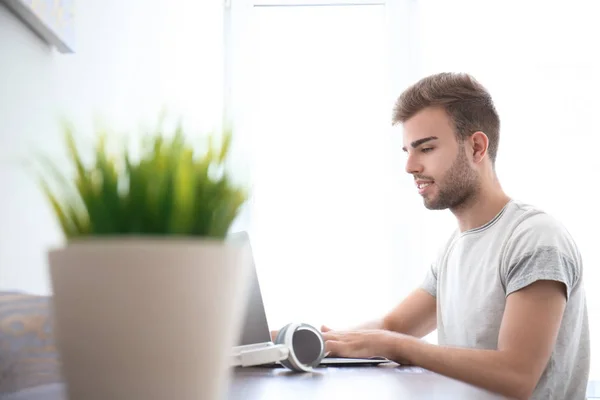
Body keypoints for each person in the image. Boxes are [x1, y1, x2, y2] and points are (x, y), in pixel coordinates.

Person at [271, 72, 590, 400]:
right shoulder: (455, 248)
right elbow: (395, 326)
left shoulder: (535, 239)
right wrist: (288, 340)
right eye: (407, 150)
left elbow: (516, 376)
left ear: (477, 147)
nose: (410, 165)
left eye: (426, 148)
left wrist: (397, 348)